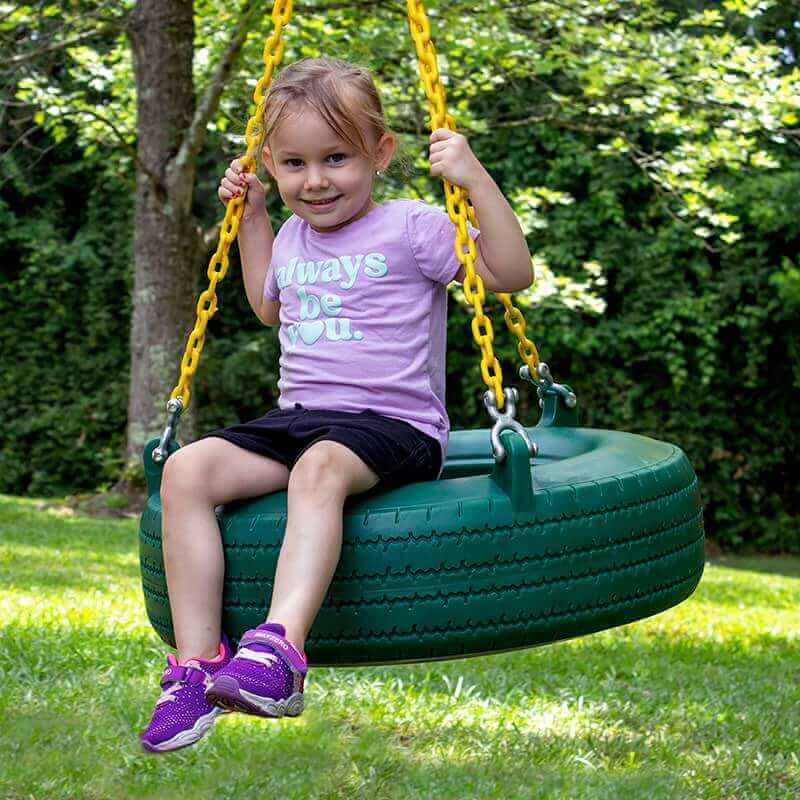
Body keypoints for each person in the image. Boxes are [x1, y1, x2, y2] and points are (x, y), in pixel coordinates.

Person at [140, 56, 533, 753]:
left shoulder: (414, 226)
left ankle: (279, 653)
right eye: (292, 164)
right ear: (271, 163)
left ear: (380, 153)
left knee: (319, 468)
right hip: (300, 415)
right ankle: (196, 669)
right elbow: (266, 304)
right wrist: (255, 215)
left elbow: (509, 273)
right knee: (187, 472)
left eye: (335, 158)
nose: (314, 180)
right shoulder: (292, 232)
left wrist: (474, 178)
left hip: (394, 423)